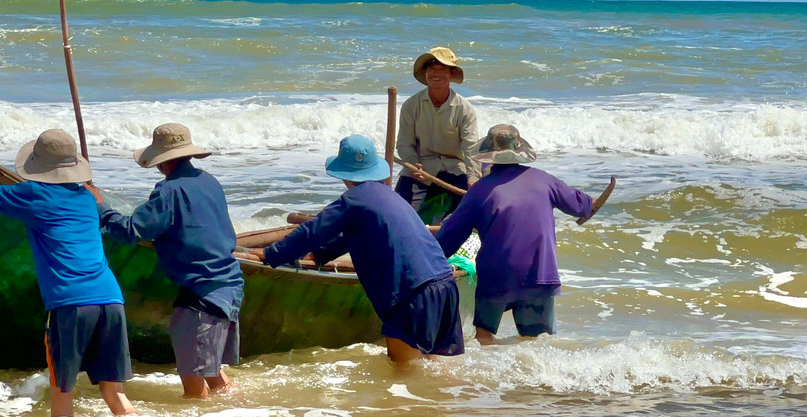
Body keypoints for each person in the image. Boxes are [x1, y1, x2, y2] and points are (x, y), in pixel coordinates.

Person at [0, 130, 136, 417]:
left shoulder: (33, 194)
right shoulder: (88, 199)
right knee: (113, 392)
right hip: (111, 300)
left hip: (71, 303)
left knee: (62, 395)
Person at [251, 135, 463, 364]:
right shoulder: (390, 196)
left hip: (413, 294)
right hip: (444, 284)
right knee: (436, 368)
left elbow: (311, 231)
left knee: (402, 373)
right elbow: (347, 236)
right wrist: (319, 255)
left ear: (344, 174)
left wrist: (271, 254)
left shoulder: (353, 200)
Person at [96, 123, 245, 399]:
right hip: (228, 286)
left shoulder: (168, 192)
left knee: (194, 394)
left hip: (202, 297)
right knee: (212, 374)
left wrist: (100, 207)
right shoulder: (209, 181)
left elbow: (130, 231)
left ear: (161, 163)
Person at [435, 124, 602, 344]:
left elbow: (450, 236)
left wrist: (430, 259)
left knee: (484, 338)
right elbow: (583, 206)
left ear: (487, 156)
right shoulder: (545, 180)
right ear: (519, 151)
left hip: (497, 277)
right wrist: (590, 205)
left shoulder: (480, 191)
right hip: (540, 274)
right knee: (537, 341)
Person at [395, 46, 481, 223]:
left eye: (442, 70)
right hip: (420, 169)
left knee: (456, 221)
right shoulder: (411, 105)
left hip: (454, 170)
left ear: (451, 74)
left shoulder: (464, 109)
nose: (436, 74)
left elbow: (471, 148)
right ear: (425, 72)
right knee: (399, 216)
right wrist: (413, 163)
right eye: (432, 69)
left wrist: (473, 179)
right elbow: (404, 144)